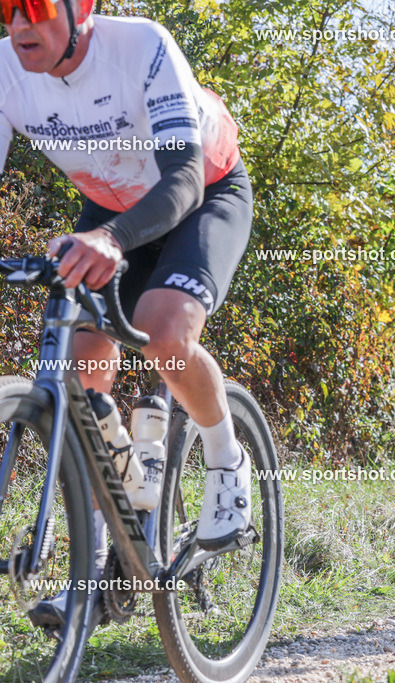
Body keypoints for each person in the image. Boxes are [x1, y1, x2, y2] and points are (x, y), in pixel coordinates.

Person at [1, 0, 253, 624]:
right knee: (78, 371)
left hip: (200, 193)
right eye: (7, 9)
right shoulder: (5, 70)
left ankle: (227, 458)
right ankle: (102, 551)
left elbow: (185, 176)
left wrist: (113, 241)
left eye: (34, 8)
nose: (19, 25)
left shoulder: (141, 45)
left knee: (164, 334)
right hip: (110, 204)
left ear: (80, 13)